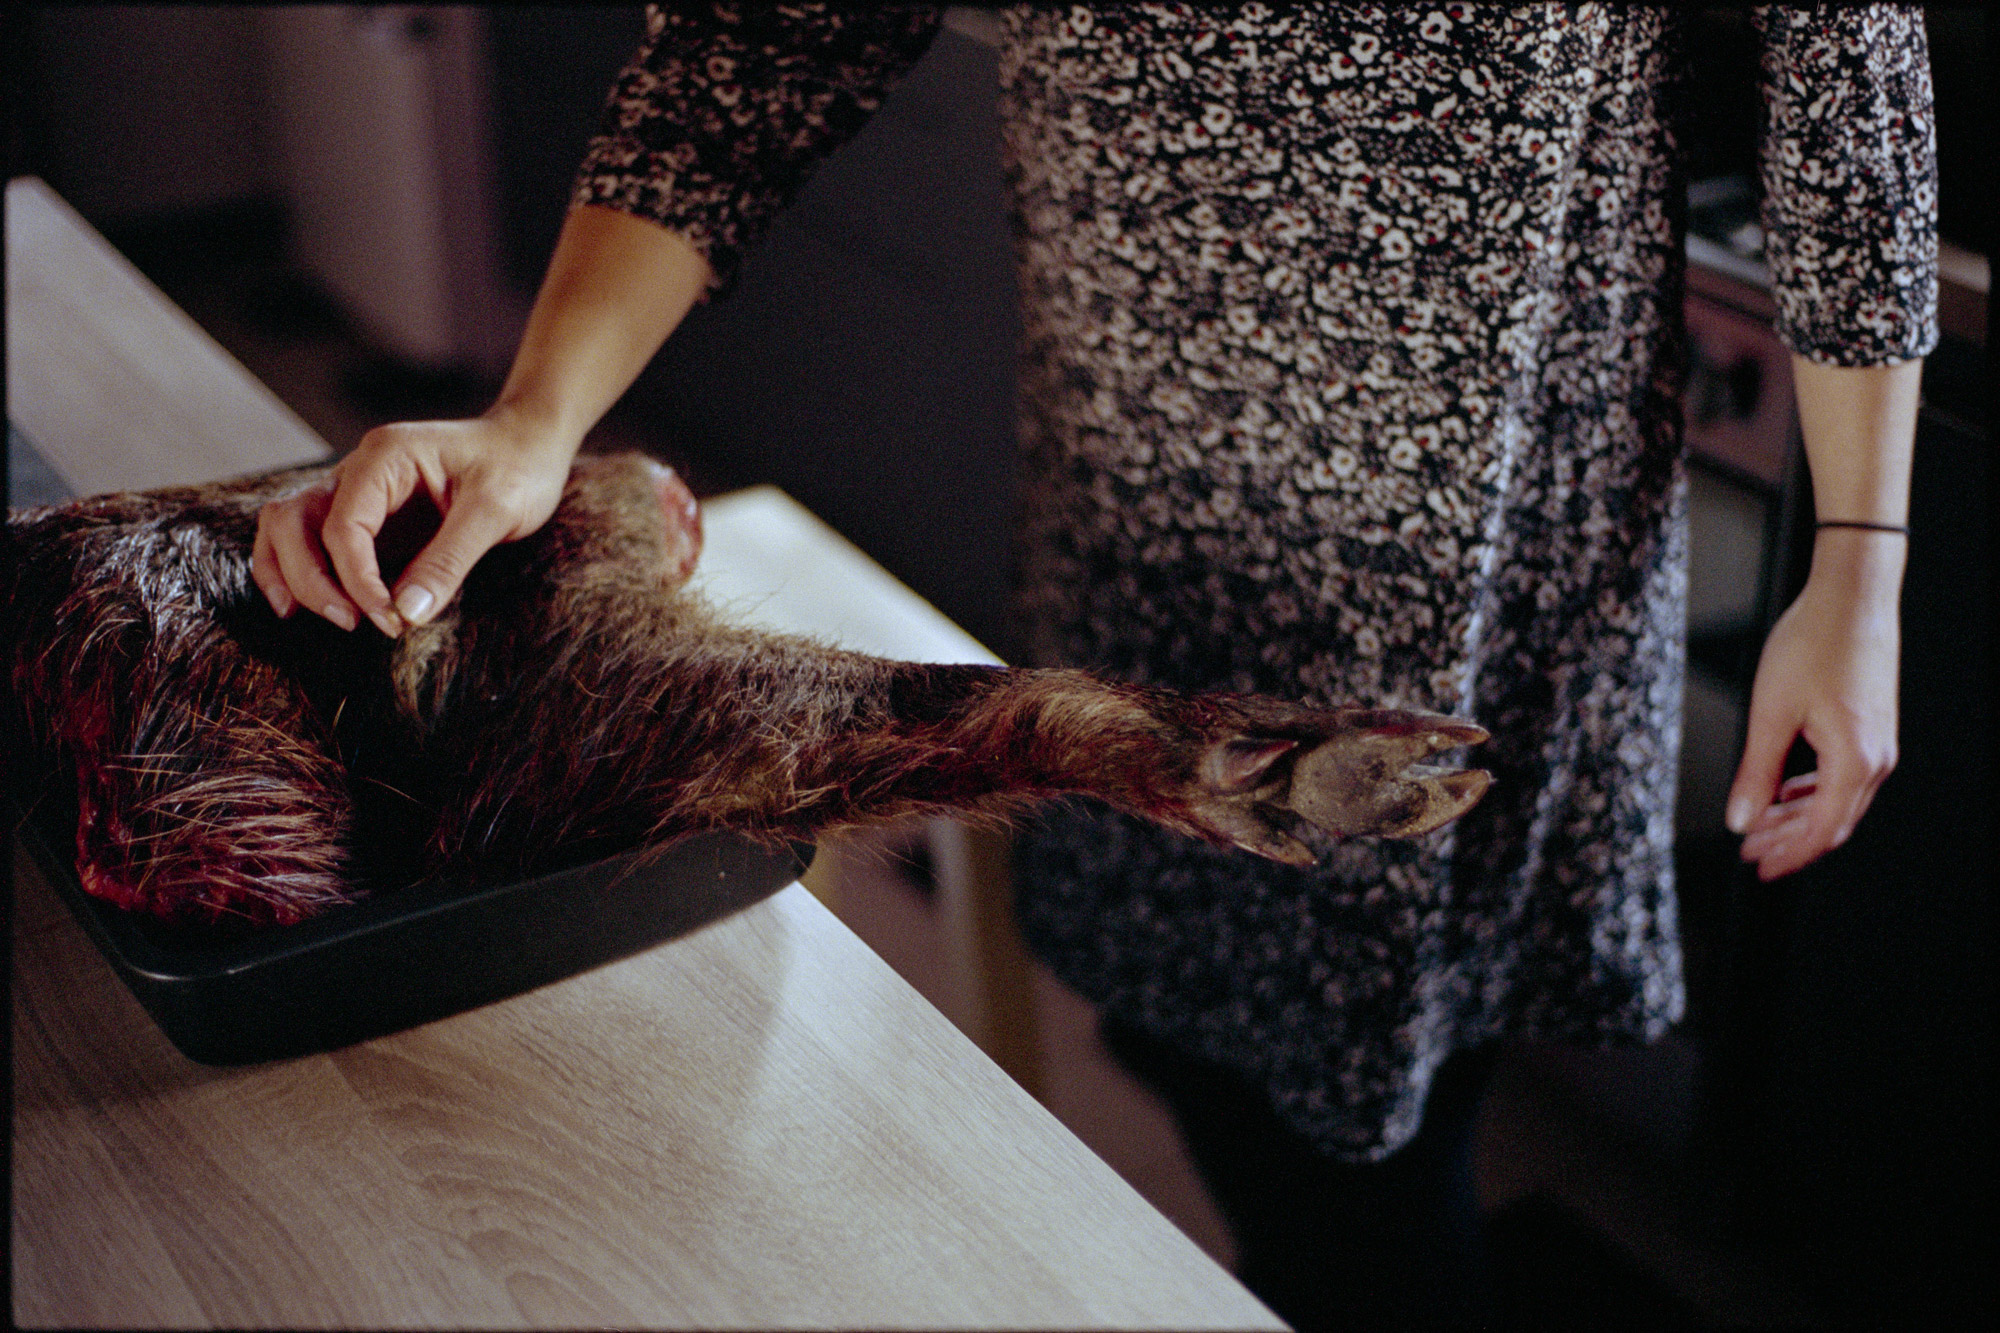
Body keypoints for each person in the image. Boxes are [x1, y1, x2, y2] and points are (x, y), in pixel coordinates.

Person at [254, 6, 1935, 1327]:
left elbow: (1845, 72)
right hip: (1142, 533)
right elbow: (761, 43)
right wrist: (535, 417)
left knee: (1369, 1141)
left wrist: (1860, 563)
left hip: (1486, 554)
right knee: (1194, 1043)